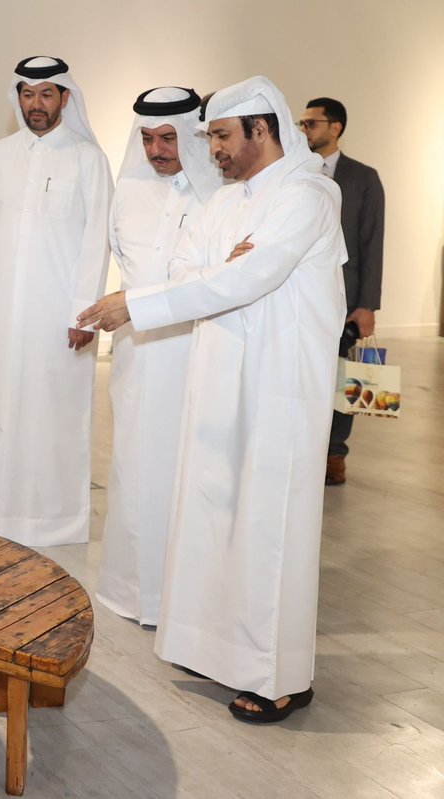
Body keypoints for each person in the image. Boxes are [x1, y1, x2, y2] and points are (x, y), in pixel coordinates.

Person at [77, 76, 347, 723]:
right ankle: (217, 650)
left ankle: (280, 676)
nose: (214, 151)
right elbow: (194, 271)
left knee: (267, 526)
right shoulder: (223, 204)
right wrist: (225, 269)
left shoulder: (310, 193)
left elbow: (250, 272)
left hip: (280, 384)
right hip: (220, 375)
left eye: (222, 137)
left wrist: (173, 289)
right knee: (213, 514)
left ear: (261, 128)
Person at [0, 57, 112, 545]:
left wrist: (84, 312)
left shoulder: (87, 158)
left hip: (59, 313)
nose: (35, 105)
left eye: (45, 94)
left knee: (54, 412)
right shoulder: (0, 153)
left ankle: (50, 516)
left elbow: (96, 240)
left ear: (64, 98)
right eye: (27, 94)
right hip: (4, 309)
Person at [97, 87, 223, 626]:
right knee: (134, 464)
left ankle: (182, 596)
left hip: (195, 347)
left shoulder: (220, 194)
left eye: (168, 137)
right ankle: (132, 589)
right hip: (135, 351)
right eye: (147, 138)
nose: (156, 149)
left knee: (186, 469)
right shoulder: (126, 190)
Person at [299, 97, 385, 486]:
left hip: (346, 299)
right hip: (304, 295)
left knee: (343, 379)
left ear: (335, 128)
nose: (305, 130)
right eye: (301, 123)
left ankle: (335, 455)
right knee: (305, 377)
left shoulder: (363, 178)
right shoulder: (298, 172)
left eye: (312, 123)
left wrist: (367, 304)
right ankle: (305, 450)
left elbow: (372, 242)